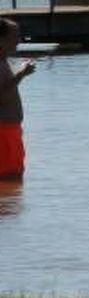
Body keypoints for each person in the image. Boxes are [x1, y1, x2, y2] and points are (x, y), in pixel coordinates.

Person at [0, 17, 33, 182]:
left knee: (14, 183)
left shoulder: (4, 61)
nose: (18, 41)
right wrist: (22, 74)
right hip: (3, 133)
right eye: (14, 37)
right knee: (9, 179)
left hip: (11, 130)